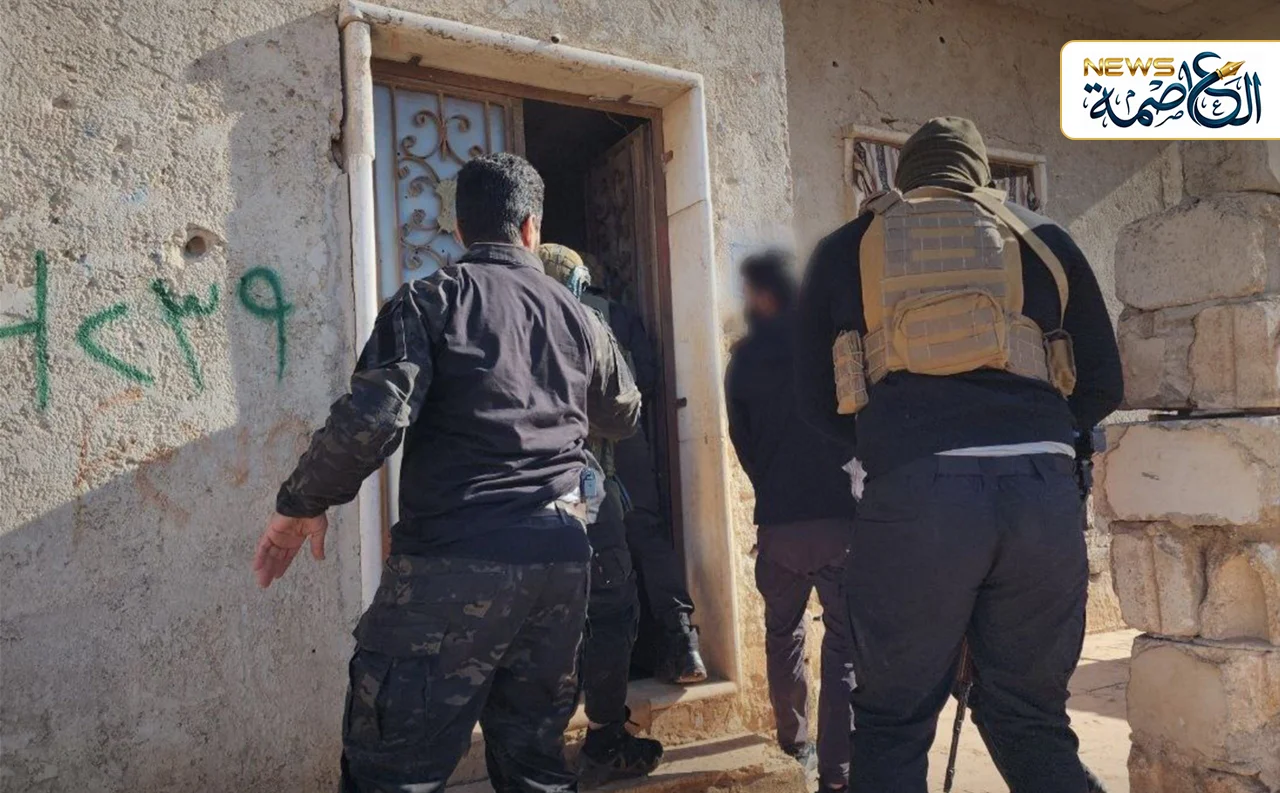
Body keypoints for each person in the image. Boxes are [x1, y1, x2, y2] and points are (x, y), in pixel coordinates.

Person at [251, 153, 640, 793]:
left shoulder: (431, 300)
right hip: (558, 567)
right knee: (537, 771)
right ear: (531, 229)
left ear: (460, 229)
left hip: (452, 567)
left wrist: (301, 503)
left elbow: (374, 417)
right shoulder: (583, 320)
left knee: (393, 774)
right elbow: (623, 413)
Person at [794, 117, 1123, 793]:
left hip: (915, 495)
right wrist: (1040, 441)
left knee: (892, 723)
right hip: (1042, 497)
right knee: (1029, 719)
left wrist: (891, 446)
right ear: (982, 178)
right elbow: (1104, 384)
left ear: (905, 176)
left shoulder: (847, 248)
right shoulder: (1045, 240)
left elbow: (812, 399)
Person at [724, 250, 858, 793]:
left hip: (779, 526)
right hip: (839, 522)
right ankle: (838, 774)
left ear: (760, 295)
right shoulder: (828, 349)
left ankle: (795, 745)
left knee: (783, 633)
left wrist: (773, 489)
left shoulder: (743, 361)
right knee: (844, 644)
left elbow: (743, 442)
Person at [537, 244, 666, 787]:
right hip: (580, 481)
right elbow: (623, 412)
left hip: (509, 498)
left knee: (539, 615)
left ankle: (537, 745)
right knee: (609, 601)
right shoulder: (583, 327)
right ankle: (604, 739)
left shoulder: (490, 324)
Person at [579, 253, 706, 685]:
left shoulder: (546, 314)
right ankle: (683, 643)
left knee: (582, 542)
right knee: (647, 535)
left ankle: (588, 667)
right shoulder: (621, 316)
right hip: (627, 440)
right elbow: (646, 379)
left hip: (578, 449)